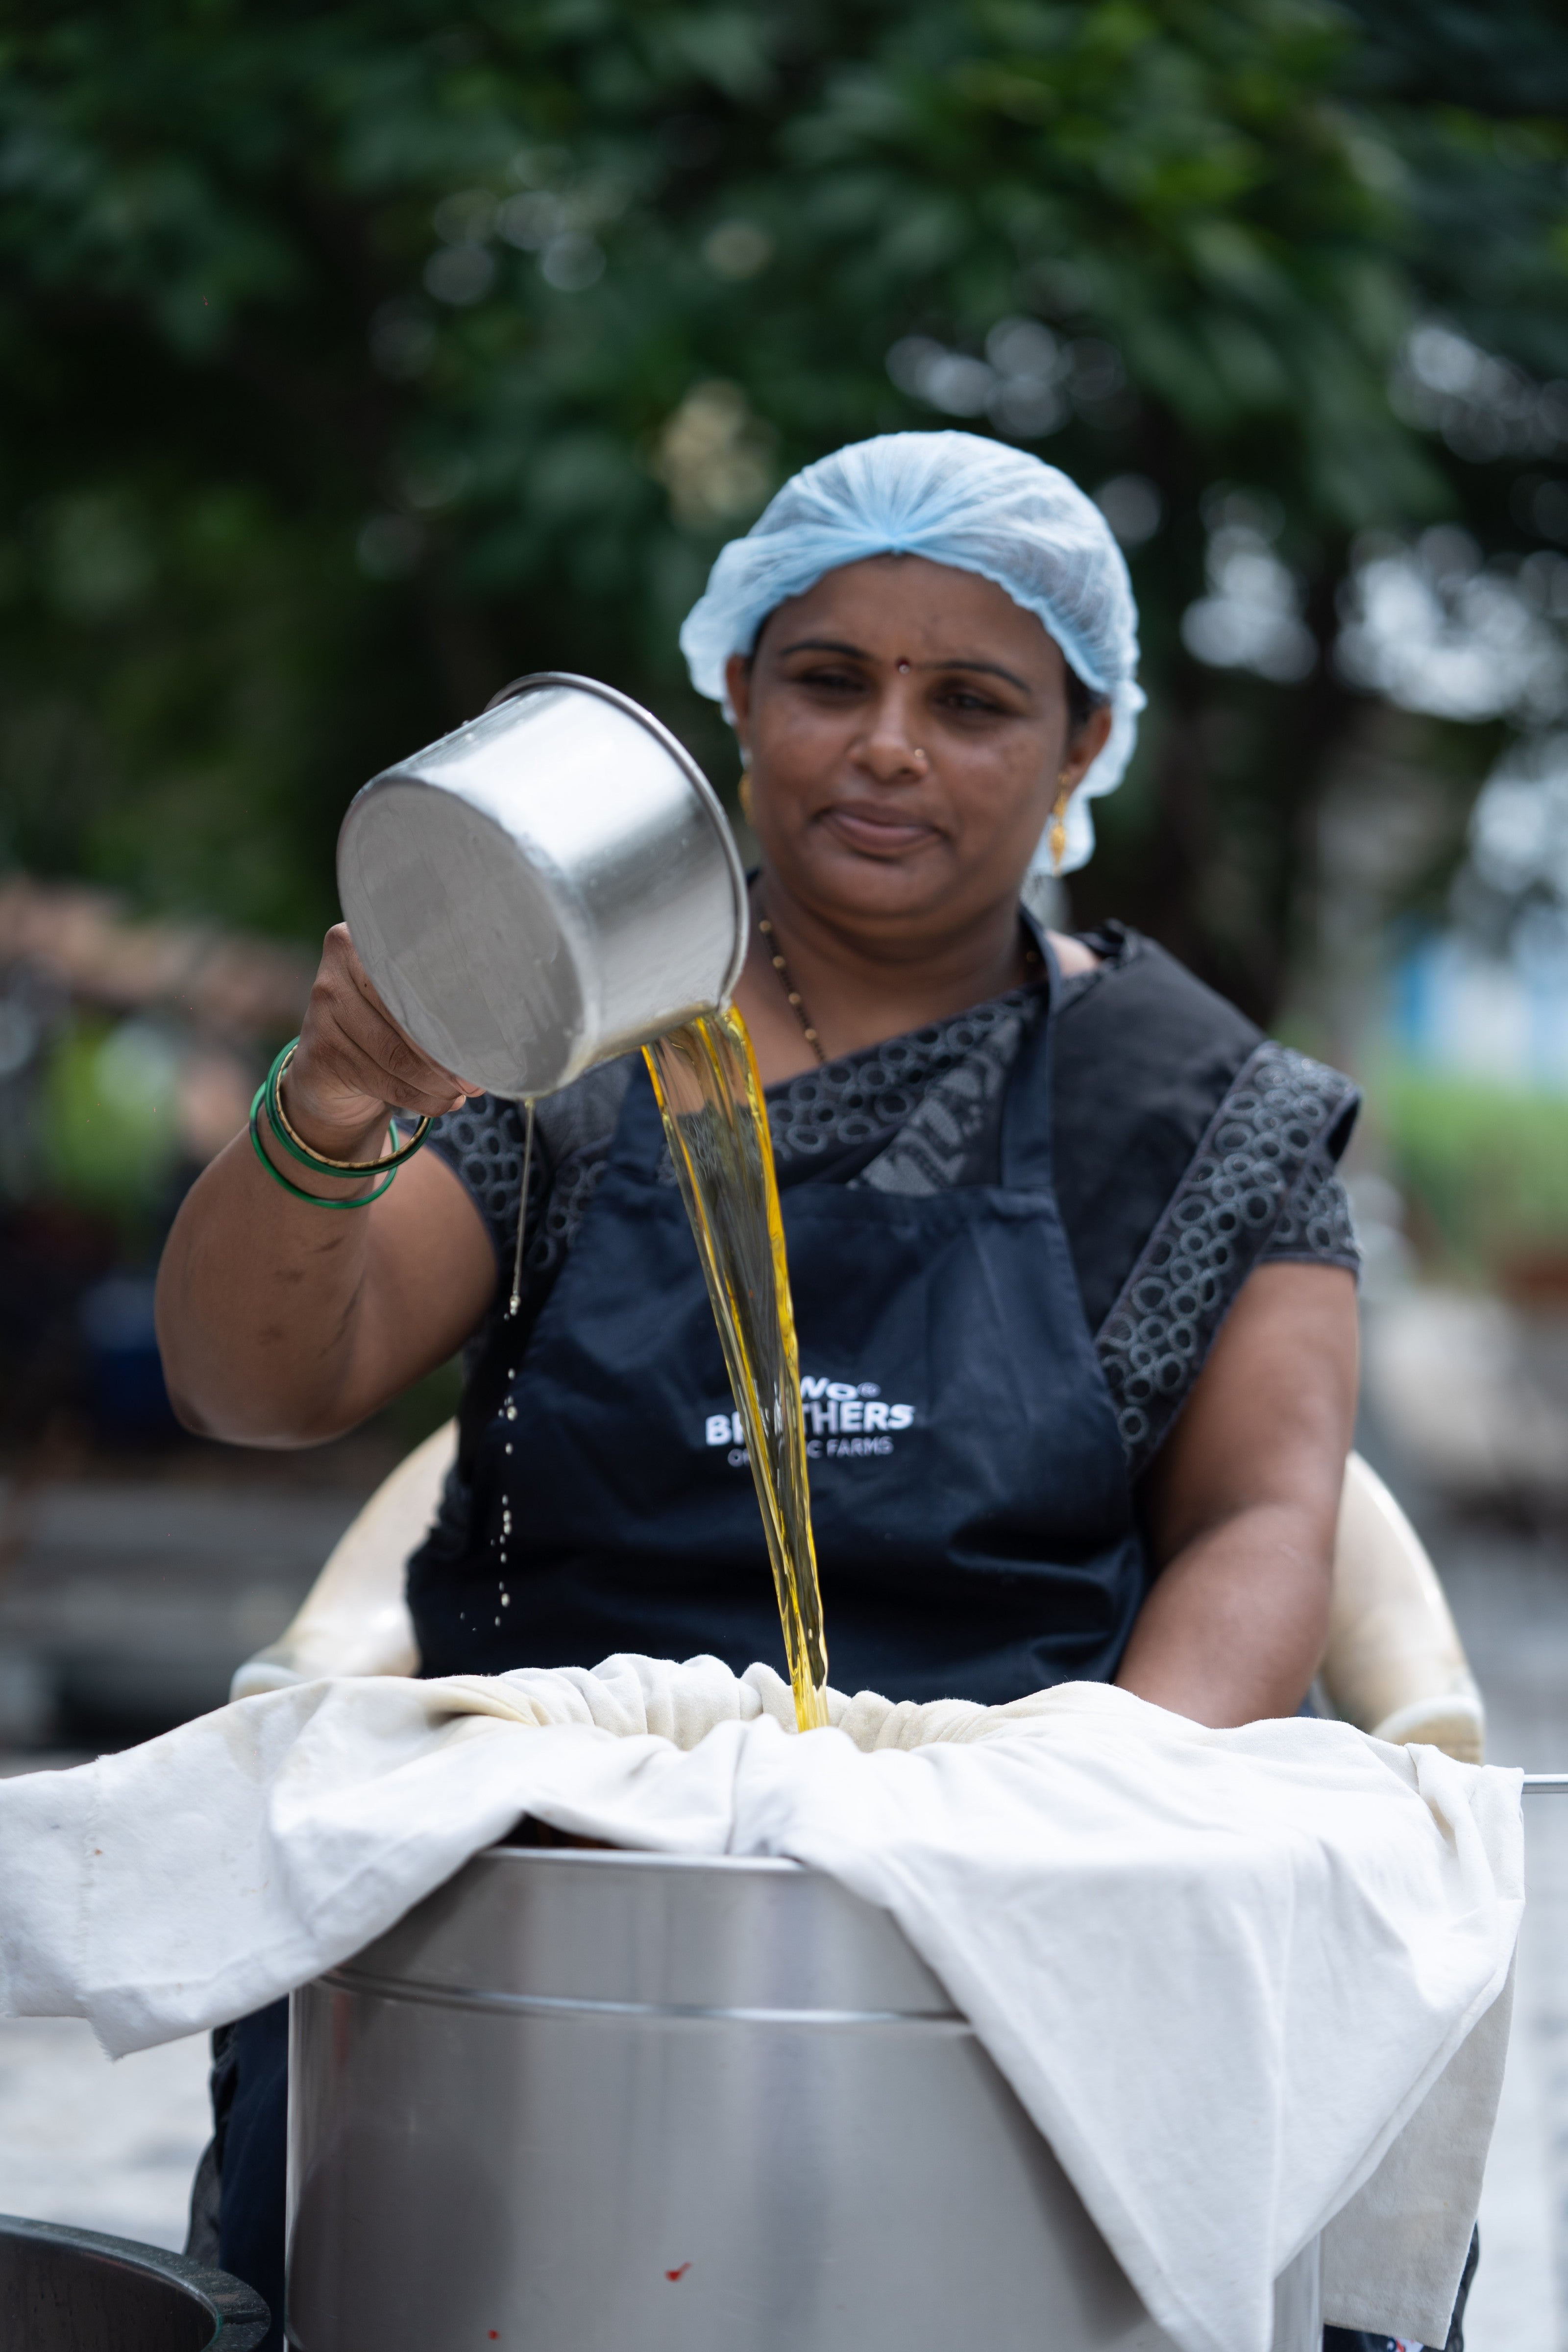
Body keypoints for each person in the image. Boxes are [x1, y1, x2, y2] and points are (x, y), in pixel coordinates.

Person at [158, 431, 1368, 2344]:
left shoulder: (1203, 1108)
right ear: (734, 691)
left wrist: (1078, 1813)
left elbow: (1258, 1518)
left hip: (1028, 1871)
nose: (887, 743)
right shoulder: (563, 1040)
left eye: (969, 701)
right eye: (829, 680)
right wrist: (333, 1107)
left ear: (1077, 748)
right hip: (548, 1862)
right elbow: (255, 1384)